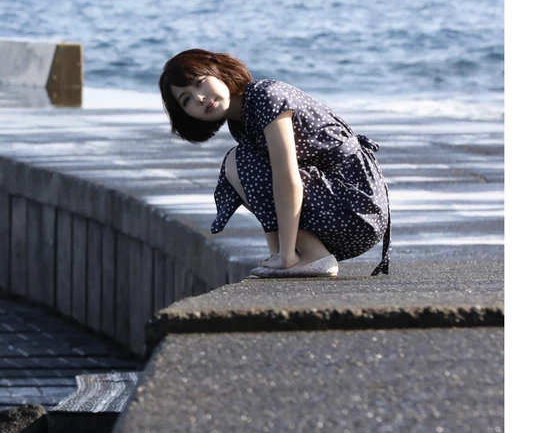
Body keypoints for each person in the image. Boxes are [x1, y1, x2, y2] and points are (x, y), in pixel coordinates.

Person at [158, 48, 391, 278]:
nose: (199, 98)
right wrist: (278, 254)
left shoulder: (265, 96)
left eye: (200, 82)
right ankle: (288, 253)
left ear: (219, 72)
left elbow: (286, 176)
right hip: (340, 211)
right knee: (239, 163)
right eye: (186, 99)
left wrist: (288, 255)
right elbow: (267, 187)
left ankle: (311, 255)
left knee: (238, 162)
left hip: (359, 210)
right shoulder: (240, 122)